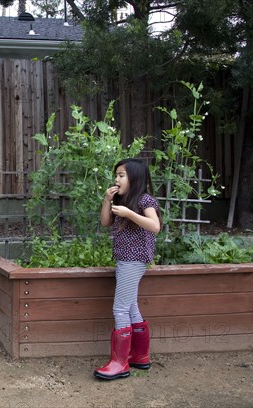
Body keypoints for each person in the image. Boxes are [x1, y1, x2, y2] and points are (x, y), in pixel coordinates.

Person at [94, 158, 161, 380]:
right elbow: (105, 223)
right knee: (130, 306)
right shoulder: (122, 200)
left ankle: (119, 363)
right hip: (125, 260)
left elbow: (155, 226)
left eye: (121, 175)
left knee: (119, 309)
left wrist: (129, 214)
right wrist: (107, 199)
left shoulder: (144, 200)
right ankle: (139, 356)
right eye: (116, 175)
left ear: (135, 178)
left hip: (135, 260)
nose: (116, 179)